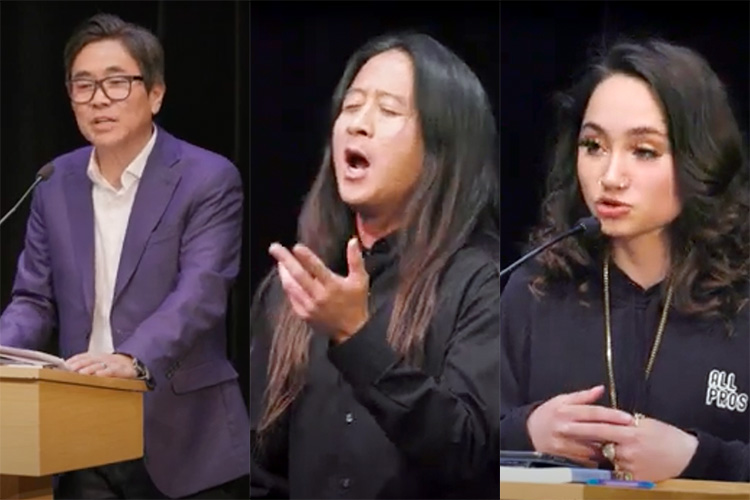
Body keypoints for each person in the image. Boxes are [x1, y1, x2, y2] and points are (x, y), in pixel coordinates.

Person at [0, 13, 249, 499]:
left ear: (155, 94)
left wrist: (132, 358)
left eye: (116, 83)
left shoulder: (208, 178)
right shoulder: (54, 182)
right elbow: (32, 299)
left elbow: (201, 292)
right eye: (83, 85)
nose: (98, 99)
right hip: (81, 432)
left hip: (186, 438)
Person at [249, 32, 500, 499]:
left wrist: (356, 338)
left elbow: (470, 452)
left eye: (387, 111)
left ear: (441, 147)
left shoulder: (480, 281)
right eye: (351, 106)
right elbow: (262, 469)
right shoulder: (297, 286)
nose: (357, 125)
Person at [500, 37, 749, 482]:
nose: (610, 177)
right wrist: (523, 432)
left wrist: (701, 460)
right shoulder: (534, 289)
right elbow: (452, 448)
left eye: (644, 151)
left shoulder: (743, 296)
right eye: (593, 146)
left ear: (701, 160)